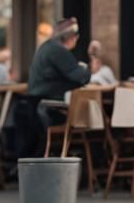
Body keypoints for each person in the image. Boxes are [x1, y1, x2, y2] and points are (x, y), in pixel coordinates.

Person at [25, 17, 91, 149]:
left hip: (36, 105)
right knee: (89, 118)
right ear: (71, 37)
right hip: (46, 107)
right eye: (76, 36)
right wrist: (87, 69)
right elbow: (80, 77)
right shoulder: (58, 50)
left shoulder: (47, 47)